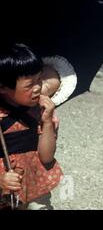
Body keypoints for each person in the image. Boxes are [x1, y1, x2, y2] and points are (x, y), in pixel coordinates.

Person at [0, 43, 63, 210]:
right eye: (29, 85)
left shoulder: (40, 111)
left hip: (36, 184)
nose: (38, 88)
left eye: (39, 79)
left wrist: (48, 122)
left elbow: (47, 157)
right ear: (3, 87)